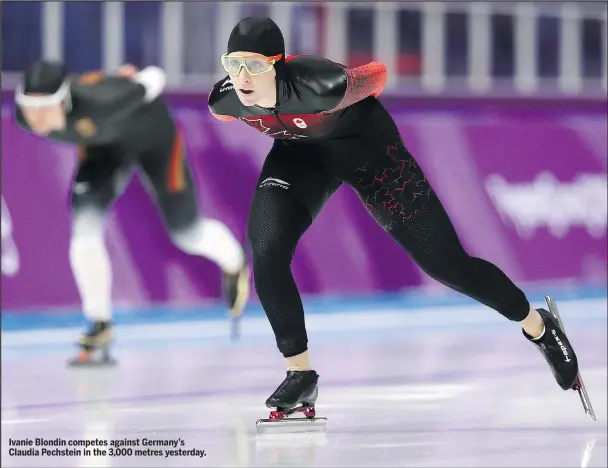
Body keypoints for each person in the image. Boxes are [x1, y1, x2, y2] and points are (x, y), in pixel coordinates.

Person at [208, 17, 587, 426]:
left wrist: (348, 88)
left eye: (257, 66)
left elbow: (377, 75)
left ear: (279, 63)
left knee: (444, 264)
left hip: (371, 155)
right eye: (235, 64)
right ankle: (300, 374)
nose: (244, 77)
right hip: (300, 158)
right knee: (265, 248)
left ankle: (538, 326)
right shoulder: (225, 100)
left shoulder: (320, 83)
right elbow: (244, 108)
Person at [14, 60, 250, 365]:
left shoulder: (104, 100)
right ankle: (99, 324)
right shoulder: (25, 116)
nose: (37, 118)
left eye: (46, 108)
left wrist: (133, 79)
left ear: (65, 100)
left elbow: (157, 76)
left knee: (186, 232)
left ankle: (235, 260)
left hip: (153, 141)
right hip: (103, 151)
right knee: (84, 232)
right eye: (30, 108)